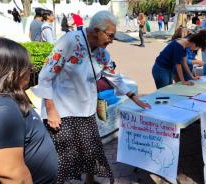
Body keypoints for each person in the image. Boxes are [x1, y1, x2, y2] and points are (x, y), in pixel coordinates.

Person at [33, 11, 150, 184]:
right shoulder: (70, 41)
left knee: (90, 151)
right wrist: (51, 111)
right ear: (96, 30)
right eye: (110, 36)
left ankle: (89, 181)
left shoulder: (103, 53)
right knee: (64, 157)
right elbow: (45, 76)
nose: (111, 40)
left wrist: (134, 97)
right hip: (61, 112)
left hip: (86, 110)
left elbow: (114, 77)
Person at [0, 37, 58, 184]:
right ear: (11, 73)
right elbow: (11, 175)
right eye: (29, 68)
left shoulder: (8, 100)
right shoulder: (3, 110)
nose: (31, 71)